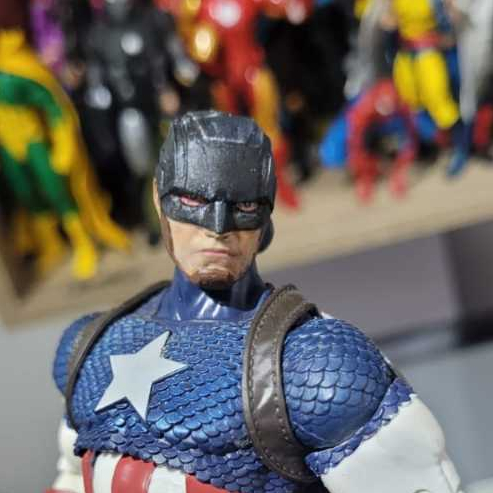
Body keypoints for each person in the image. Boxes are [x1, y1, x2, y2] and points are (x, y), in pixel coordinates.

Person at [48, 110, 462, 493]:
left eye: (243, 206)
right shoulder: (92, 346)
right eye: (193, 201)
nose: (217, 228)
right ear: (159, 198)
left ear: (266, 216)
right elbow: (73, 477)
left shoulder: (313, 364)